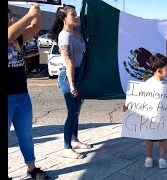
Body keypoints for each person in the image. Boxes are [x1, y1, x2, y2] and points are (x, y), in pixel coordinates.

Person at [123, 53, 167, 168]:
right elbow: (139, 101)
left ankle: (162, 158)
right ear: (159, 71)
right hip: (150, 121)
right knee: (149, 140)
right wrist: (128, 106)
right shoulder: (148, 84)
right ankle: (148, 157)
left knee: (163, 140)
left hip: (163, 120)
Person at [8, 6, 50, 180]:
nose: (10, 21)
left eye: (10, 18)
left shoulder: (17, 38)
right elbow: (9, 34)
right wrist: (29, 15)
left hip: (22, 94)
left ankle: (32, 168)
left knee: (26, 134)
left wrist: (37, 12)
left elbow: (35, 27)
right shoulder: (11, 35)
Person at [49, 4, 92, 159]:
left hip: (79, 75)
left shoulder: (76, 30)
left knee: (77, 111)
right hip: (69, 76)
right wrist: (73, 84)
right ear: (64, 18)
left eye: (75, 14)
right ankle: (66, 147)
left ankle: (74, 140)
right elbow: (68, 62)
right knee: (72, 113)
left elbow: (86, 16)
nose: (75, 17)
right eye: (72, 15)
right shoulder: (65, 36)